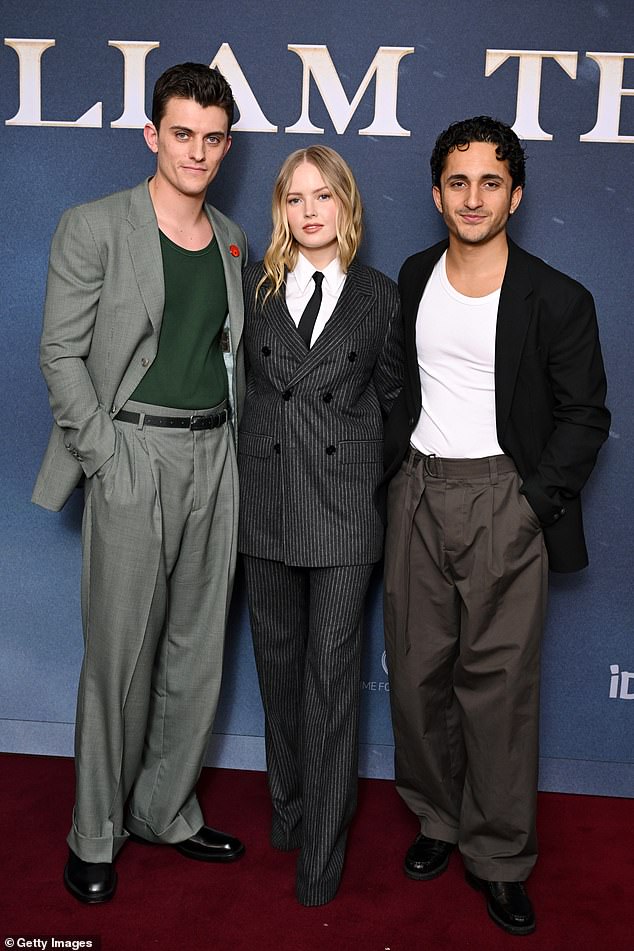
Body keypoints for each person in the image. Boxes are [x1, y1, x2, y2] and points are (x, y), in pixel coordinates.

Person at [382, 116, 610, 936]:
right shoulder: (411, 276)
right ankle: (440, 821)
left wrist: (530, 502)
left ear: (515, 193)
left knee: (500, 691)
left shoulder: (557, 296)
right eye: (456, 181)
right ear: (437, 192)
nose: (472, 197)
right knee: (415, 676)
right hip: (416, 492)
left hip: (503, 501)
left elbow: (586, 415)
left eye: (489, 181)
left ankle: (501, 856)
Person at [32, 63, 248, 903]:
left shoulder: (231, 236)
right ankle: (95, 832)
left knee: (196, 654)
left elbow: (228, 357)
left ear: (226, 145)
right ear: (153, 135)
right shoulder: (94, 225)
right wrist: (106, 459)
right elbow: (60, 352)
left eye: (213, 137)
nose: (197, 150)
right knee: (119, 657)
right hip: (132, 452)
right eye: (183, 133)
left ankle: (167, 810)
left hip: (213, 457)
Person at [238, 146, 403, 906]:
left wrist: (369, 484)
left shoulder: (380, 296)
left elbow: (397, 407)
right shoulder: (254, 282)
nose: (310, 211)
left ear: (346, 205)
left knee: (332, 681)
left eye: (323, 196)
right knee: (278, 669)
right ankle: (288, 810)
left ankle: (322, 864)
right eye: (295, 198)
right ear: (281, 209)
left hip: (341, 516)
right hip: (265, 504)